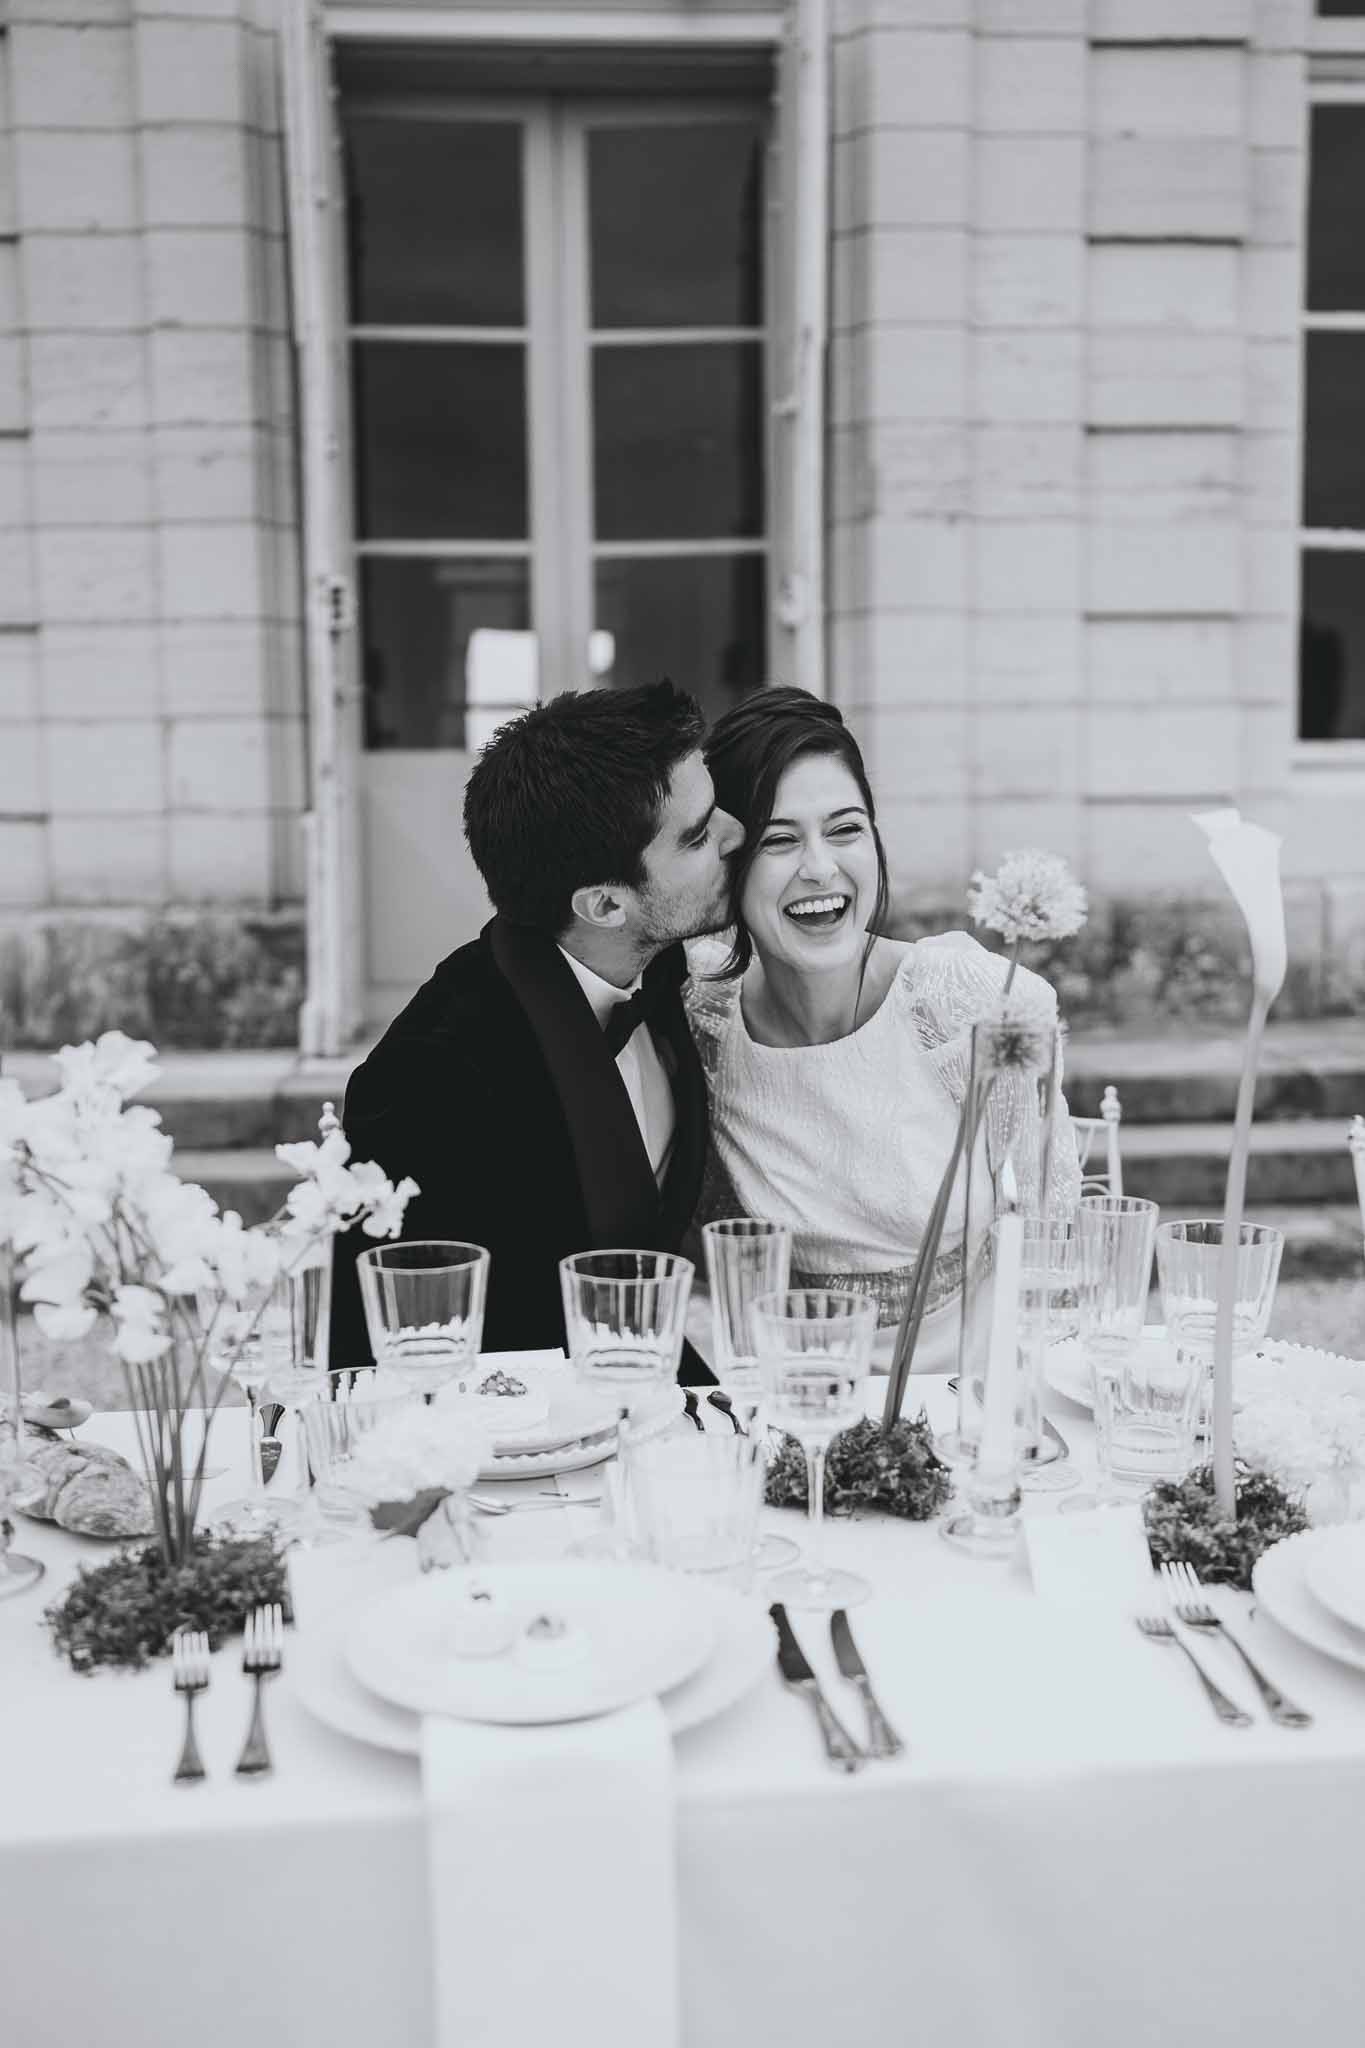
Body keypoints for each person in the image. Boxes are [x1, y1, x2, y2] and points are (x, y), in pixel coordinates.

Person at [330, 679, 744, 1376]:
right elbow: (389, 1348)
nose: (737, 832)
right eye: (699, 836)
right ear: (604, 905)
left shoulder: (658, 965)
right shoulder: (430, 1081)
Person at [685, 688, 1079, 1373]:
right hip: (790, 1386)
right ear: (730, 863)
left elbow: (1054, 1234)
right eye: (779, 840)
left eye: (845, 829)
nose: (820, 867)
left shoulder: (969, 1002)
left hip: (969, 1384)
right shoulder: (702, 1021)